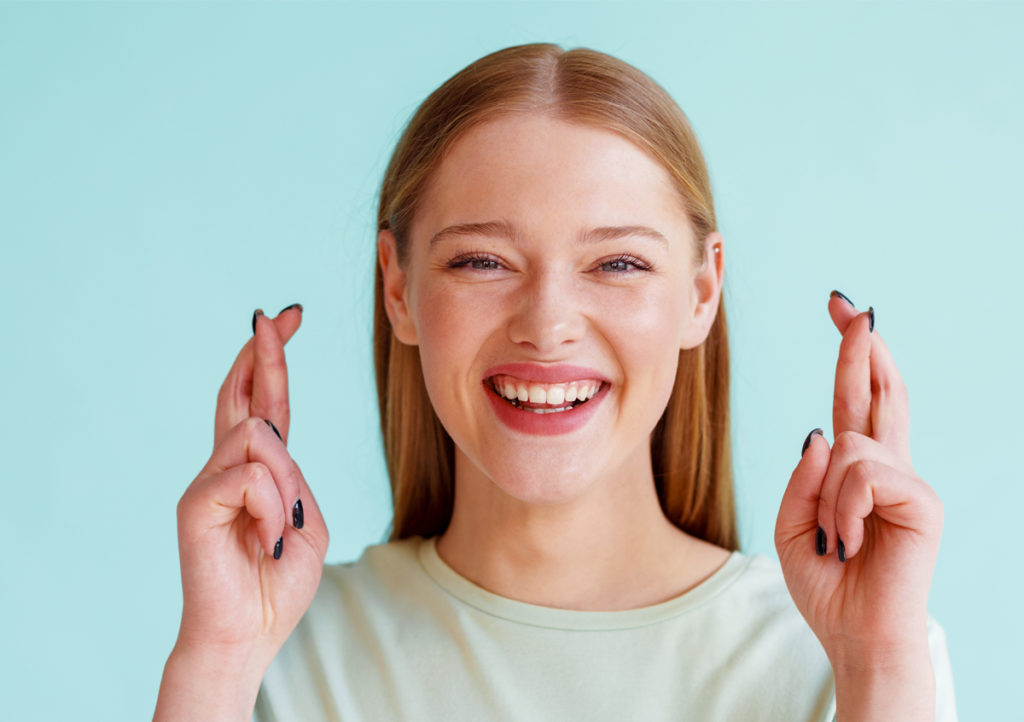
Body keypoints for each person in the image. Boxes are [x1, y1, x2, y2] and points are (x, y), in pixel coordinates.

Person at [154, 43, 956, 721]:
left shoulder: (856, 653)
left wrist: (877, 663)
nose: (547, 324)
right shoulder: (278, 653)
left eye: (618, 263)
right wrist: (218, 662)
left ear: (701, 293)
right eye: (482, 261)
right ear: (397, 289)